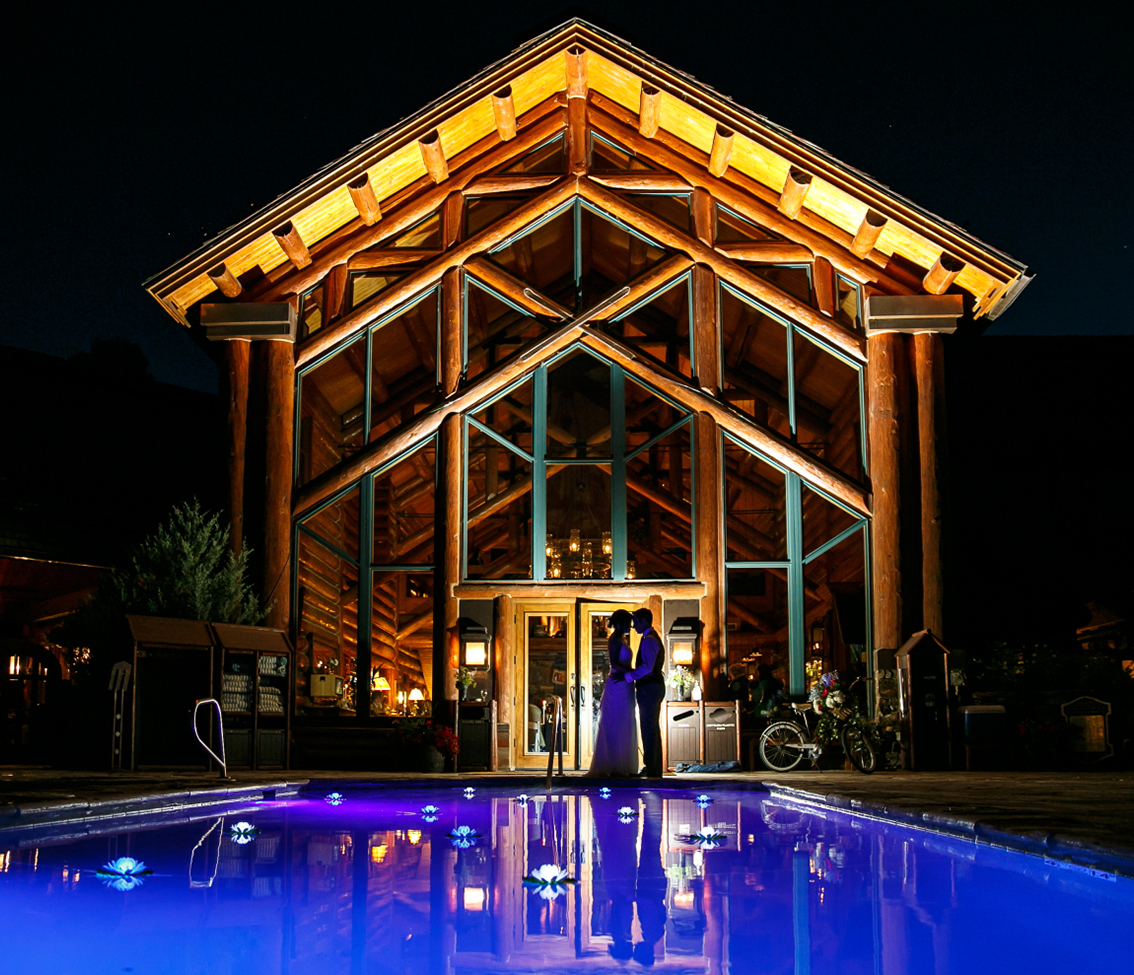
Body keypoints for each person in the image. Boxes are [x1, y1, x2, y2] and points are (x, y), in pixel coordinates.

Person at [612, 608, 666, 777]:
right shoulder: (649, 638)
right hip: (651, 687)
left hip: (650, 687)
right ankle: (652, 767)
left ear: (643, 621)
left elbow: (647, 668)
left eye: (635, 622)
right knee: (650, 727)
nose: (633, 626)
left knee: (648, 727)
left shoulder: (649, 640)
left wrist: (627, 676)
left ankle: (652, 768)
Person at [585, 610, 639, 777]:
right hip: (618, 684)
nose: (630, 626)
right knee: (615, 721)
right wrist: (634, 672)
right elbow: (615, 662)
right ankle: (613, 765)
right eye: (628, 622)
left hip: (626, 683)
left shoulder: (622, 639)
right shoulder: (614, 640)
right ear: (621, 623)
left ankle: (624, 765)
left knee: (625, 721)